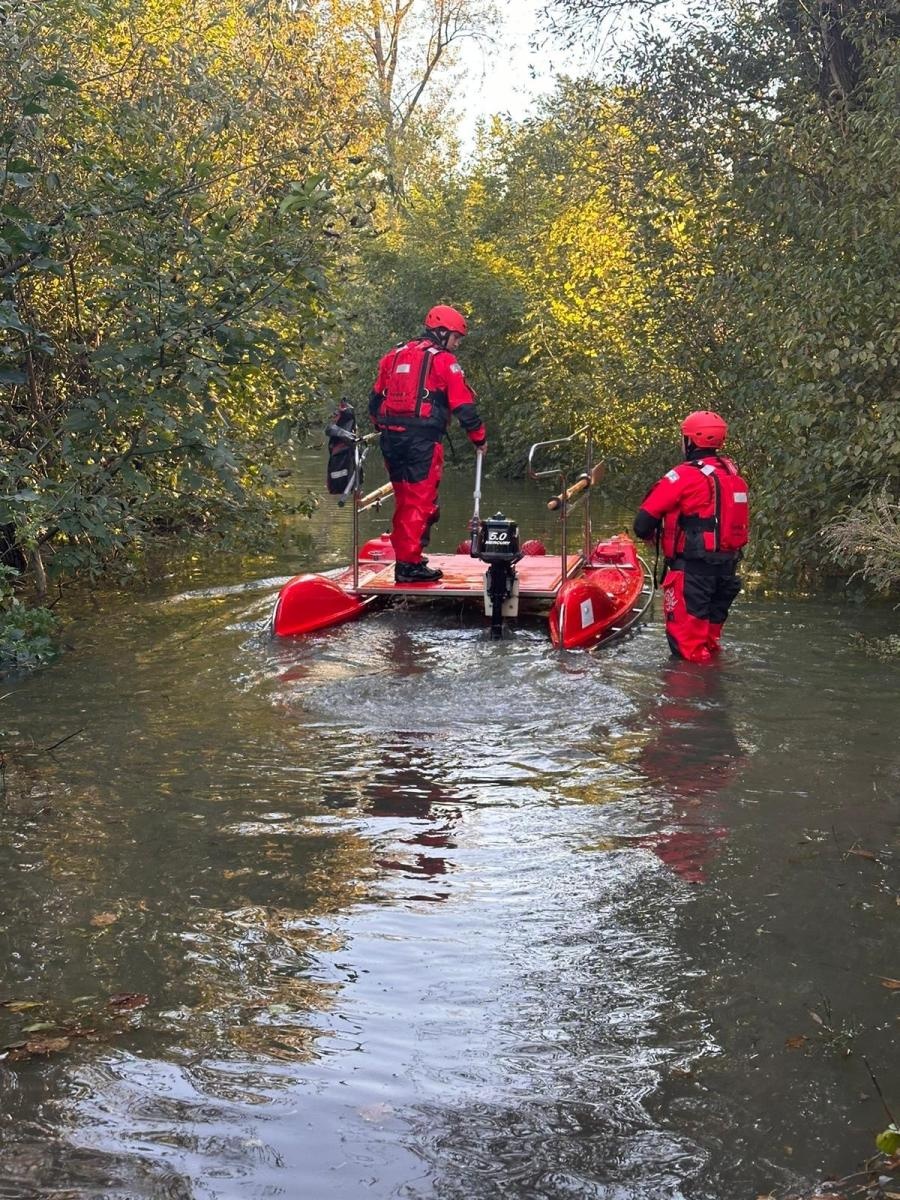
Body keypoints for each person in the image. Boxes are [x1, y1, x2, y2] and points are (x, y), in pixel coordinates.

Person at [369, 304, 486, 583]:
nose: (457, 344)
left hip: (391, 438)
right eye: (456, 337)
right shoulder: (444, 361)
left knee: (404, 500)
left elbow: (374, 401)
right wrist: (479, 438)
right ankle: (409, 566)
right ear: (442, 331)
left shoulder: (392, 356)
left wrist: (382, 427)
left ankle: (407, 557)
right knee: (421, 503)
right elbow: (463, 405)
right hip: (422, 441)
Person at [633, 410, 749, 663]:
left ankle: (687, 700)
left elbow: (641, 525)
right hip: (726, 574)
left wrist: (653, 531)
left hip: (691, 577)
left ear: (690, 441)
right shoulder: (733, 476)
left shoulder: (683, 476)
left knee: (687, 653)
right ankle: (713, 693)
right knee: (709, 644)